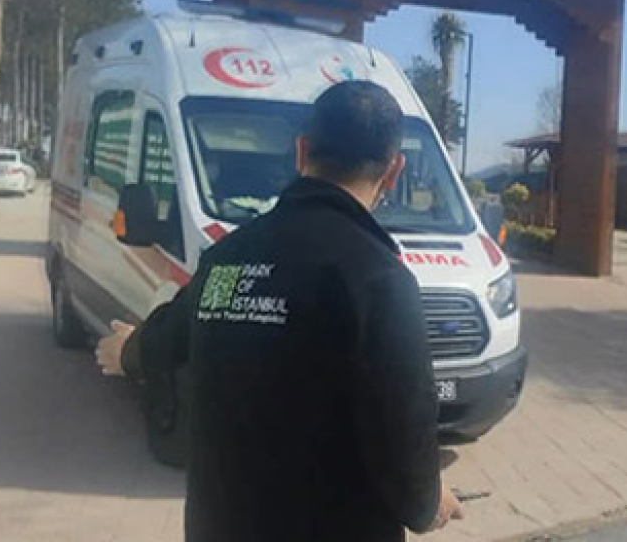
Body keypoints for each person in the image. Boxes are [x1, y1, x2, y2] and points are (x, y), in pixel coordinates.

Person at [96, 81, 463, 541]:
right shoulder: (379, 279)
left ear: (302, 151)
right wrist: (428, 501)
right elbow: (403, 432)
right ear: (393, 171)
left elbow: (171, 335)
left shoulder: (229, 258)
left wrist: (126, 350)